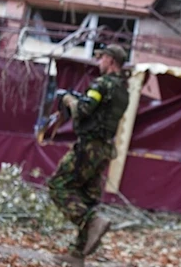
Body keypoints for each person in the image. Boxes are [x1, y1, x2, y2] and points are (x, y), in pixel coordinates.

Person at [48, 44, 130, 263]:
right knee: (87, 197)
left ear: (111, 60)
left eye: (102, 58)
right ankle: (76, 256)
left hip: (89, 147)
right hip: (104, 150)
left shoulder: (101, 84)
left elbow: (84, 109)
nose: (99, 61)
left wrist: (68, 99)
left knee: (58, 185)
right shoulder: (123, 90)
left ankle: (93, 220)